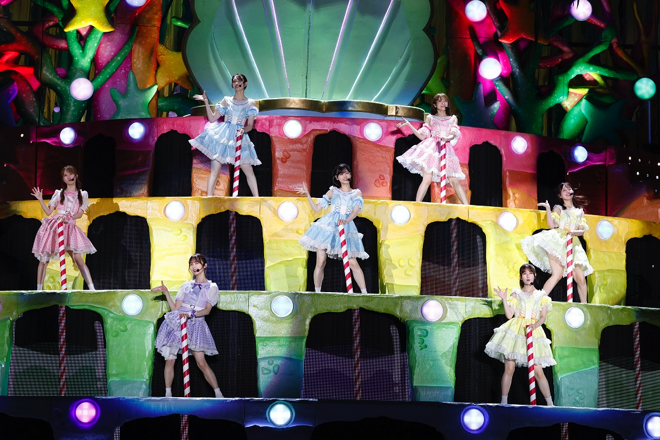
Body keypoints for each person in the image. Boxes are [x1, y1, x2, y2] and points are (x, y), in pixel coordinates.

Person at [152, 254, 223, 398]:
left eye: (197, 263)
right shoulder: (186, 286)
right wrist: (166, 293)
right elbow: (175, 309)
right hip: (178, 323)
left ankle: (218, 393)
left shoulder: (212, 287)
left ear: (204, 265)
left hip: (196, 323)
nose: (194, 266)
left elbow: (207, 310)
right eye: (191, 264)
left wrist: (191, 314)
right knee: (170, 359)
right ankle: (168, 394)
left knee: (201, 362)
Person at [484, 264, 556, 406]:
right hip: (516, 330)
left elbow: (543, 317)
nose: (527, 276)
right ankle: (504, 402)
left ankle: (550, 404)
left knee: (538, 371)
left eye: (530, 273)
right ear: (521, 277)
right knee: (509, 368)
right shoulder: (516, 294)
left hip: (533, 330)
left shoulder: (541, 296)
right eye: (524, 273)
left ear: (534, 276)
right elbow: (509, 315)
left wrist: (535, 325)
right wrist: (504, 299)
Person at [297, 164, 369, 293]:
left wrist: (346, 220)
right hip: (328, 227)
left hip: (346, 226)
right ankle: (317, 293)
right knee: (321, 261)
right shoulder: (333, 191)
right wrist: (307, 194)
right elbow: (316, 208)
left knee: (352, 262)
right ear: (337, 177)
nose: (345, 176)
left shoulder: (356, 193)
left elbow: (355, 211)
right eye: (341, 174)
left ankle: (365, 294)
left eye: (347, 173)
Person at [190, 73, 260, 197]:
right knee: (215, 170)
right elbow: (212, 119)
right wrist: (206, 101)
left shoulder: (250, 103)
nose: (236, 83)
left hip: (239, 136)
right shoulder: (226, 100)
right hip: (224, 135)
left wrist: (243, 130)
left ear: (245, 84)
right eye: (234, 81)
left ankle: (257, 199)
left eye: (239, 81)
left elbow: (250, 125)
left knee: (249, 170)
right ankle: (209, 197)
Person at [521, 182, 593, 303]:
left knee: (581, 278)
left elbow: (582, 230)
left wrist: (573, 232)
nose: (567, 191)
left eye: (569, 189)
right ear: (560, 195)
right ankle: (538, 301)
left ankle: (585, 305)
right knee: (557, 274)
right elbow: (552, 226)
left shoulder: (580, 211)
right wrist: (548, 209)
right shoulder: (558, 209)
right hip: (558, 241)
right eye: (564, 190)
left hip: (573, 243)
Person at [396, 93, 469, 204]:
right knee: (427, 179)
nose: (443, 103)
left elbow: (453, 133)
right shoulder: (431, 118)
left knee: (454, 180)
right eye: (439, 101)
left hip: (446, 149)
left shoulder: (453, 119)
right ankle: (417, 205)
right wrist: (409, 125)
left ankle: (467, 207)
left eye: (445, 100)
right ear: (434, 105)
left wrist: (446, 138)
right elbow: (422, 136)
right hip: (431, 148)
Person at [31, 165, 96, 290]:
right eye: (65, 175)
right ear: (63, 179)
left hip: (70, 227)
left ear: (76, 176)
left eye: (70, 174)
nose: (69, 177)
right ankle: (39, 289)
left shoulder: (82, 194)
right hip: (56, 226)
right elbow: (49, 212)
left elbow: (79, 214)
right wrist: (40, 199)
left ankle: (92, 288)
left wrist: (69, 216)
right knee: (44, 259)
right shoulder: (59, 193)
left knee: (78, 259)